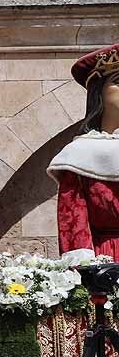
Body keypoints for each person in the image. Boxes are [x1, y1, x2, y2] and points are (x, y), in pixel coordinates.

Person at [48, 44, 119, 263]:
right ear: (98, 91)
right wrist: (85, 278)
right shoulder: (79, 155)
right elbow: (73, 227)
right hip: (108, 264)